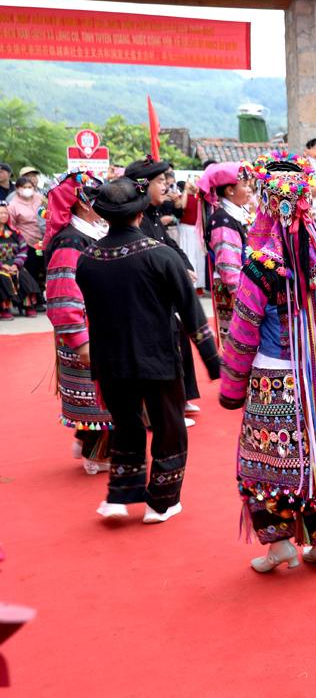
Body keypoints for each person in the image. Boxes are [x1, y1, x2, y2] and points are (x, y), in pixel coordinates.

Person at [220, 158, 316, 573]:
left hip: (276, 381)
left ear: (268, 203)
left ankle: (280, 544)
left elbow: (243, 333)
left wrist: (232, 389)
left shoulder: (260, 266)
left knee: (271, 463)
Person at [76, 178, 221, 522]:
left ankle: (120, 496)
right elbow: (191, 312)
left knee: (126, 425)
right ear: (140, 214)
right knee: (169, 426)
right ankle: (161, 501)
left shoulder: (87, 258)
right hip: (155, 355)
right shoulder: (161, 255)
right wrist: (213, 361)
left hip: (110, 360)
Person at [125, 157, 207, 420]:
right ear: (142, 185)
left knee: (179, 339)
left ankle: (182, 397)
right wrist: (176, 272)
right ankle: (164, 411)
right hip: (146, 299)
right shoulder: (136, 219)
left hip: (162, 296)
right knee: (163, 349)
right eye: (160, 181)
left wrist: (184, 266)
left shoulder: (153, 214)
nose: (166, 186)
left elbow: (169, 247)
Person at [42, 173, 114, 473]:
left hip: (98, 327)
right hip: (86, 330)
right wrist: (80, 340)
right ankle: (97, 454)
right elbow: (62, 295)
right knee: (100, 396)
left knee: (101, 394)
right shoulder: (71, 241)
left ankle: (87, 443)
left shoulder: (88, 234)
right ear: (84, 204)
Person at [197, 162, 251, 344]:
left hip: (242, 286)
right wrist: (244, 298)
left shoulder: (234, 215)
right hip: (234, 291)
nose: (249, 190)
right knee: (237, 344)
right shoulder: (222, 220)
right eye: (245, 185)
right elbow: (229, 267)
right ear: (230, 190)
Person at [6, 176, 45, 308]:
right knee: (30, 270)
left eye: (30, 187)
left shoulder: (40, 199)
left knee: (42, 269)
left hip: (42, 240)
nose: (28, 190)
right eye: (24, 187)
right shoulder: (13, 205)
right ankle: (31, 301)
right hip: (26, 242)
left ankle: (40, 296)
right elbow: (11, 225)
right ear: (18, 189)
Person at [0, 202, 39, 319]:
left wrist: (16, 264)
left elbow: (23, 249)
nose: (4, 215)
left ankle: (28, 306)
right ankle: (3, 308)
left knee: (23, 276)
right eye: (1, 213)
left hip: (13, 264)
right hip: (1, 266)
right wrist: (2, 266)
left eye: (5, 213)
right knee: (3, 278)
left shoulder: (15, 233)